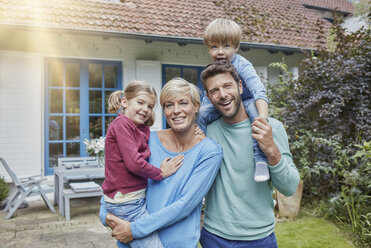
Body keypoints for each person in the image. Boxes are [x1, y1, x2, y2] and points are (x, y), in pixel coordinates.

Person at [100, 78, 223, 248]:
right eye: (168, 105)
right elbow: (119, 178)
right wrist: (105, 215)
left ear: (196, 106)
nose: (176, 111)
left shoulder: (209, 151)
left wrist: (133, 229)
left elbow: (185, 205)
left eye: (183, 103)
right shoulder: (149, 139)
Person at [199, 61, 300, 248]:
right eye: (214, 91)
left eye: (227, 86)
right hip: (214, 237)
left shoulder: (271, 128)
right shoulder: (204, 132)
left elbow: (290, 187)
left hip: (260, 239)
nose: (222, 95)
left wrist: (271, 150)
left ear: (239, 86)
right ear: (208, 97)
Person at [102, 81, 184, 248]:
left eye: (150, 106)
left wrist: (196, 128)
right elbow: (134, 163)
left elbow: (156, 137)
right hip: (127, 202)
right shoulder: (122, 124)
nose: (145, 109)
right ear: (125, 102)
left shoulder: (139, 127)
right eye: (140, 102)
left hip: (130, 200)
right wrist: (160, 173)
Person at [198, 18, 271, 182]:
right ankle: (201, 150)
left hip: (246, 102)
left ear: (236, 47)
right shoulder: (213, 70)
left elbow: (258, 90)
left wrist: (263, 118)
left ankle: (260, 159)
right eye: (214, 47)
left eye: (226, 46)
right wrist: (200, 123)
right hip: (223, 105)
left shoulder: (243, 65)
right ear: (208, 48)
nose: (220, 52)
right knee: (201, 113)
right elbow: (207, 99)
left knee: (254, 112)